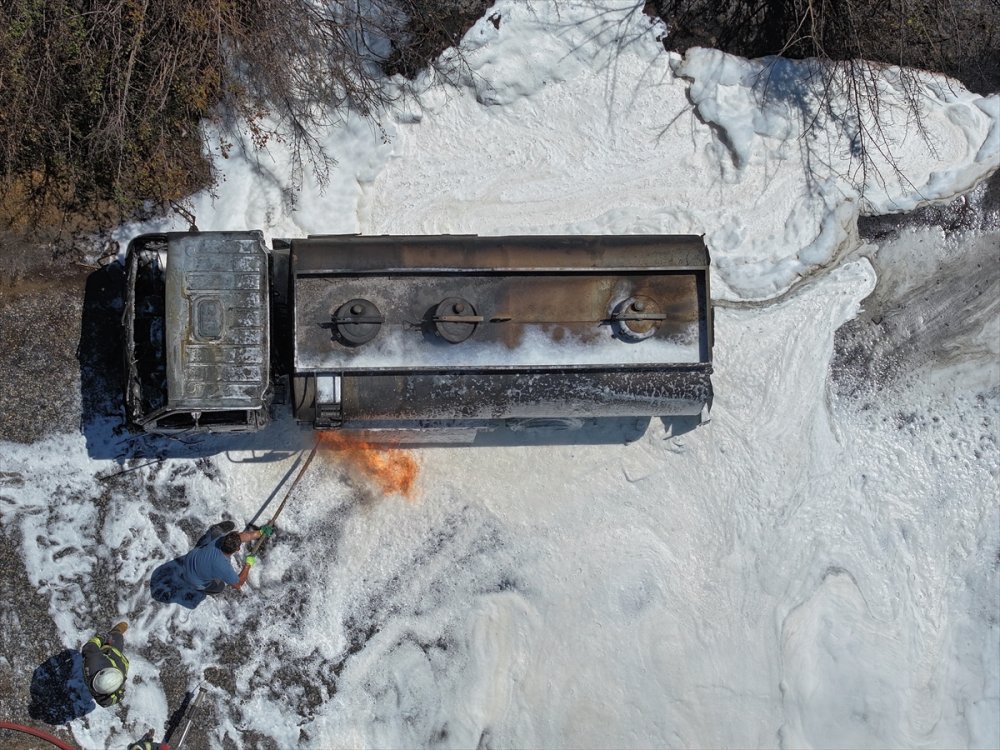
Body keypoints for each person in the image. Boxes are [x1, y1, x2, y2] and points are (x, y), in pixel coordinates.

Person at [180, 520, 274, 594]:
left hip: (188, 561)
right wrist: (248, 565)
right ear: (237, 549)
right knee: (220, 587)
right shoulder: (224, 568)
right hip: (192, 580)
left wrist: (260, 532)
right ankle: (202, 589)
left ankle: (215, 530)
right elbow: (237, 584)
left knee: (215, 534)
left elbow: (242, 536)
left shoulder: (220, 540)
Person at [81, 621, 129, 707]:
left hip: (108, 652)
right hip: (116, 655)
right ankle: (117, 632)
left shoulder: (93, 660)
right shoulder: (106, 699)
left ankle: (116, 632)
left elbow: (90, 645)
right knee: (117, 638)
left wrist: (102, 638)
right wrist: (120, 695)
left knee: (115, 637)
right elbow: (114, 699)